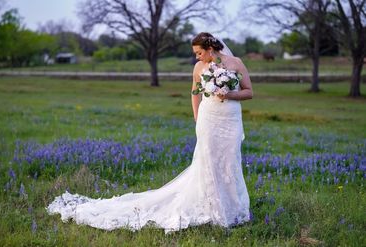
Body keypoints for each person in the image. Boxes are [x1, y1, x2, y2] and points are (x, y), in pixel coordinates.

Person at [47, 32, 253, 234]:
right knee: (208, 162)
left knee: (229, 161)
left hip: (230, 121)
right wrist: (197, 118)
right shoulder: (199, 67)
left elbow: (249, 92)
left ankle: (234, 209)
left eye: (199, 53)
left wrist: (230, 94)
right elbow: (194, 92)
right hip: (208, 120)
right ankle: (214, 210)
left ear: (210, 49)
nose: (196, 57)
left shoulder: (235, 63)